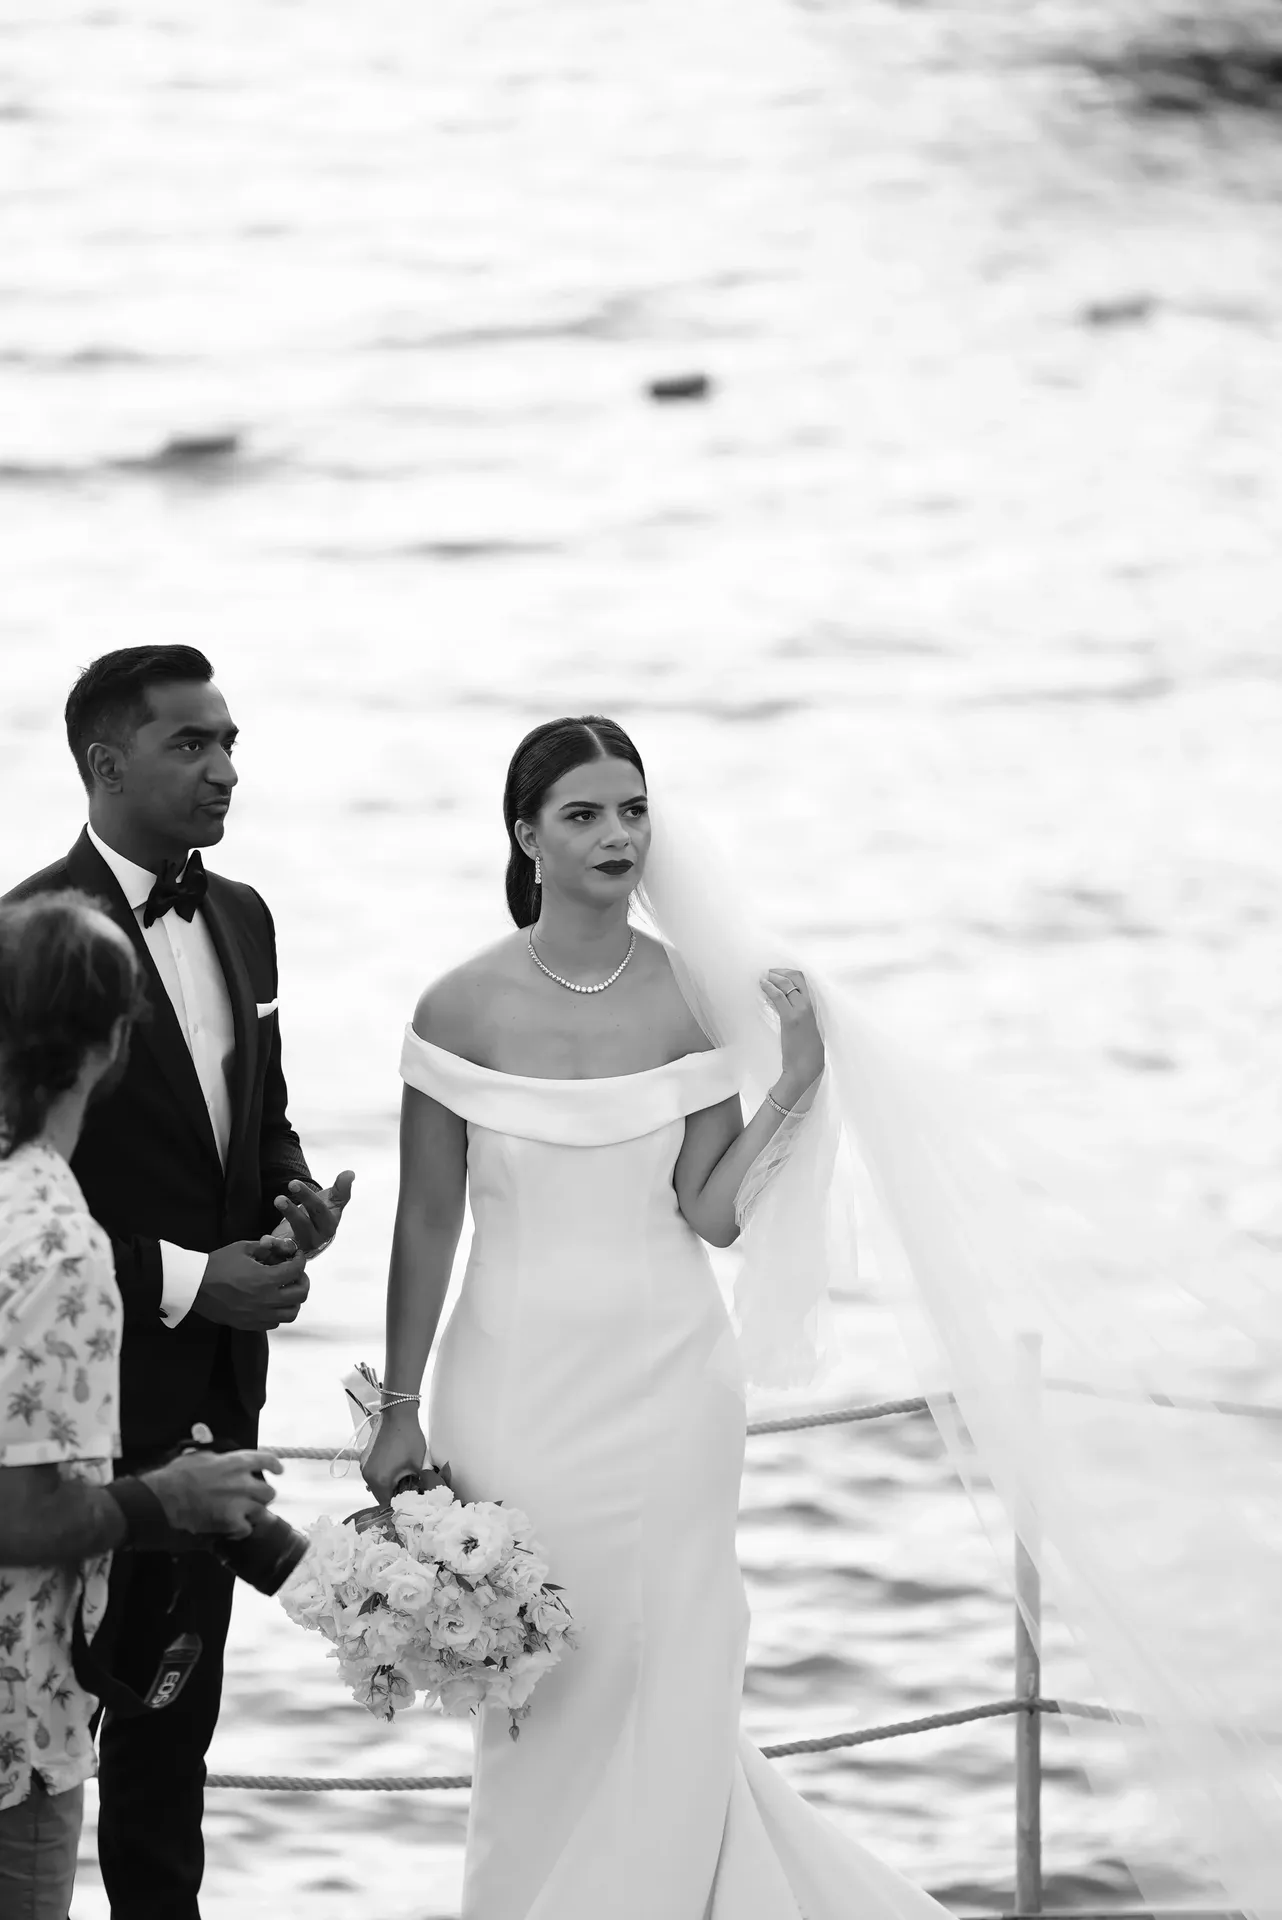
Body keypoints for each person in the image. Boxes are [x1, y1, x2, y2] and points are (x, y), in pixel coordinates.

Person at [363, 715, 949, 1918]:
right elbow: (425, 1223)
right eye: (582, 814)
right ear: (526, 836)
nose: (615, 835)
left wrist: (794, 1078)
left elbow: (712, 1213)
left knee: (673, 1664)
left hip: (673, 1391)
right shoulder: (457, 1006)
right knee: (539, 1683)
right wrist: (398, 1410)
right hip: (513, 1390)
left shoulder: (692, 998)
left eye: (632, 810)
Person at [3, 646, 356, 1920]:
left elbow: (257, 1116)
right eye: (190, 744)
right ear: (105, 763)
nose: (224, 770)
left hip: (213, 1399)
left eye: (229, 742)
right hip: (64, 1418)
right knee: (37, 1754)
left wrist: (292, 1205)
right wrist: (193, 1281)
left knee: (168, 1767)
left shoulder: (244, 916)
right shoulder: (26, 938)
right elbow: (13, 1191)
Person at [0, 892, 288, 1920]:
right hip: (14, 1725)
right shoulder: (57, 1238)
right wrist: (169, 1500)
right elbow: (21, 1518)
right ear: (112, 1044)